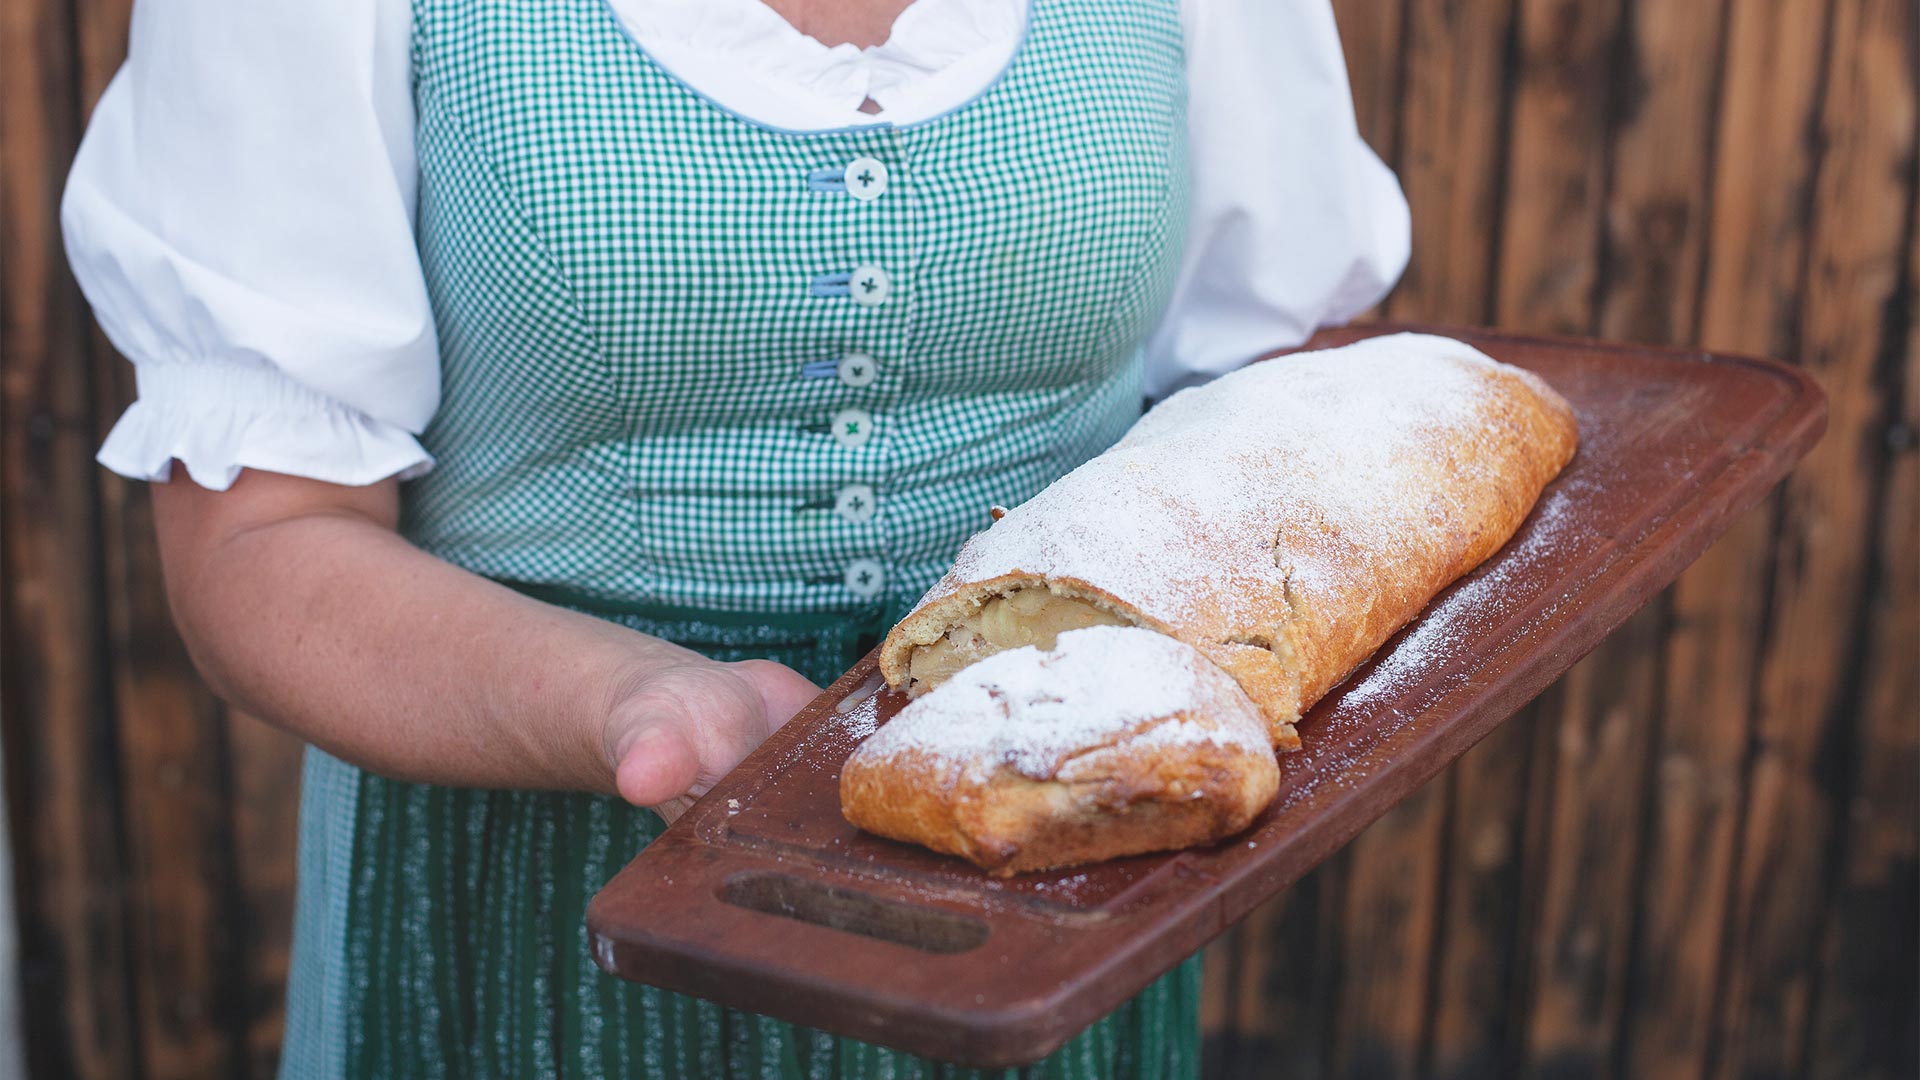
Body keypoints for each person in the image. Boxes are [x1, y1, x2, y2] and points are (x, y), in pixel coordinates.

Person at [62, 0, 1407, 1075]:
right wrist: (626, 703)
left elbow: (1276, 398)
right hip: (531, 906)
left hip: (1058, 871)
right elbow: (264, 538)